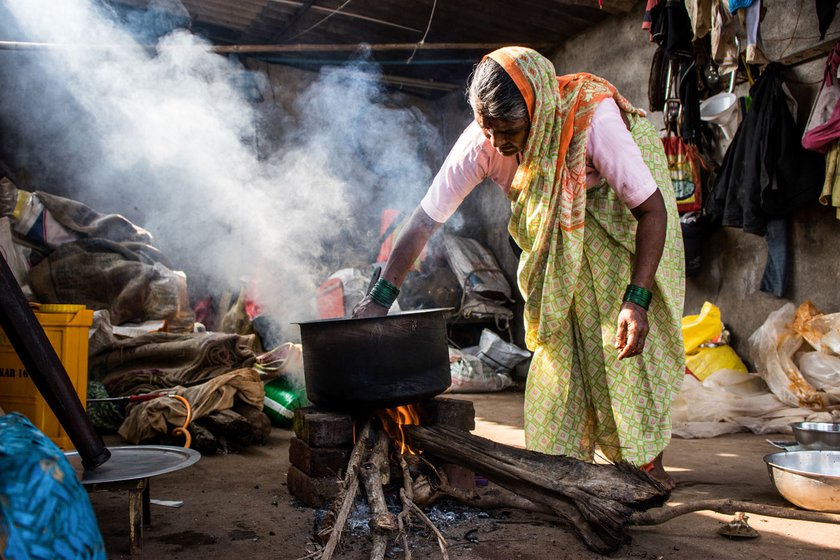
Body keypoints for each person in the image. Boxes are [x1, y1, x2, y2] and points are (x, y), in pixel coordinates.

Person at [354, 46, 685, 490]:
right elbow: (423, 222)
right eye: (488, 130)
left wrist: (637, 298)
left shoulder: (593, 121)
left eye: (508, 131)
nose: (497, 144)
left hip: (623, 221)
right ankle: (563, 468)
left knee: (619, 340)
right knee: (557, 343)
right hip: (566, 232)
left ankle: (647, 470)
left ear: (539, 112)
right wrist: (380, 298)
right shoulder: (482, 142)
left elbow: (651, 211)